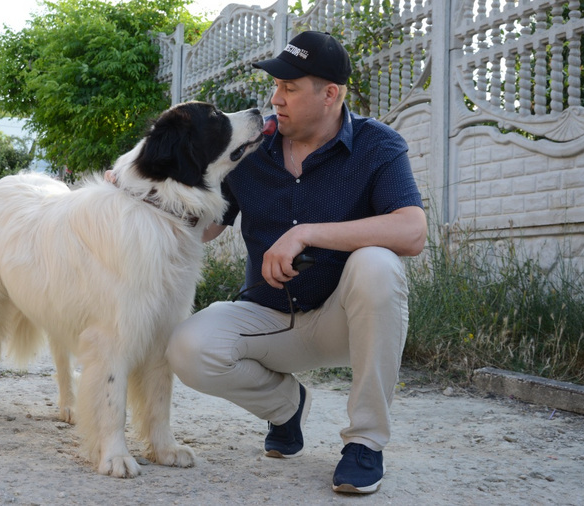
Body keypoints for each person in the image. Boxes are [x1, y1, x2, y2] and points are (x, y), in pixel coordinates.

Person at [166, 31, 427, 494]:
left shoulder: (377, 145)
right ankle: (286, 407)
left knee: (377, 265)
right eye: (276, 86)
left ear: (330, 94)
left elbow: (411, 231)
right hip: (270, 319)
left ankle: (365, 442)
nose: (275, 98)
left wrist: (306, 232)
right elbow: (203, 229)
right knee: (188, 347)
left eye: (289, 87)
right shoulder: (251, 150)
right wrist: (141, 195)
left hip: (342, 320)